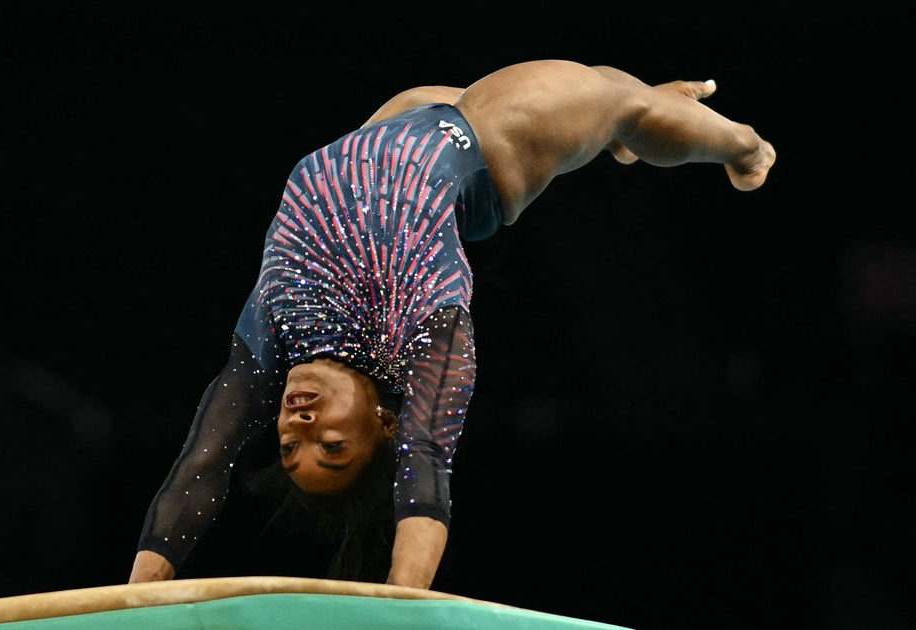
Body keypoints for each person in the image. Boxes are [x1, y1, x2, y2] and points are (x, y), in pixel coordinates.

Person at [127, 59, 776, 590]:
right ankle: (747, 144)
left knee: (602, 97)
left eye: (292, 451)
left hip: (393, 127)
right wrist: (405, 602)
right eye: (332, 447)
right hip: (491, 139)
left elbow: (199, 466)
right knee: (621, 103)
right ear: (385, 423)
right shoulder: (424, 333)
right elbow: (427, 464)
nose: (300, 430)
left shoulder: (274, 340)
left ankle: (633, 119)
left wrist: (131, 602)